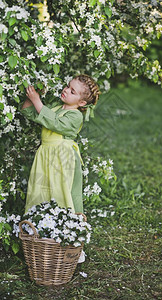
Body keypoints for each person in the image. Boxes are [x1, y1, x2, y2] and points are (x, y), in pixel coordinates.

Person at [21, 74, 100, 214]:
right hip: (45, 153)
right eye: (67, 86)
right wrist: (31, 97)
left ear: (81, 103)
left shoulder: (75, 115)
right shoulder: (57, 108)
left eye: (72, 91)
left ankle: (66, 221)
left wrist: (37, 101)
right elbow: (30, 113)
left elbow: (55, 123)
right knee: (41, 187)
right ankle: (40, 221)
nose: (66, 90)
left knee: (60, 188)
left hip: (62, 156)